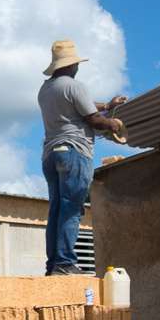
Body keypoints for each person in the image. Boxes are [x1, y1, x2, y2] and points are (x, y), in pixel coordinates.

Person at [37, 39, 126, 276]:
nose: (77, 67)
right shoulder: (75, 86)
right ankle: (66, 263)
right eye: (76, 63)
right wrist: (114, 124)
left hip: (51, 154)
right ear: (71, 65)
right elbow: (94, 120)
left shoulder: (46, 90)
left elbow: (78, 105)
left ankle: (55, 264)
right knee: (71, 208)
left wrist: (106, 105)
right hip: (75, 152)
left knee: (56, 208)